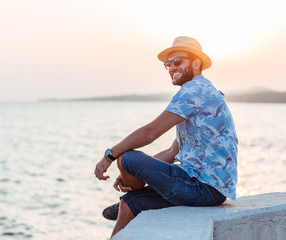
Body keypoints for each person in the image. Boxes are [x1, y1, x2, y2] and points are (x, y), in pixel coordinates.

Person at [94, 36, 238, 238]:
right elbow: (172, 152)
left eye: (178, 62)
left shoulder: (194, 90)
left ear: (196, 63)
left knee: (126, 158)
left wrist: (109, 156)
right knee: (129, 203)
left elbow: (150, 133)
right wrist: (138, 173)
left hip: (203, 187)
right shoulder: (203, 93)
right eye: (167, 64)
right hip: (208, 188)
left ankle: (135, 187)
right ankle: (133, 195)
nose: (171, 68)